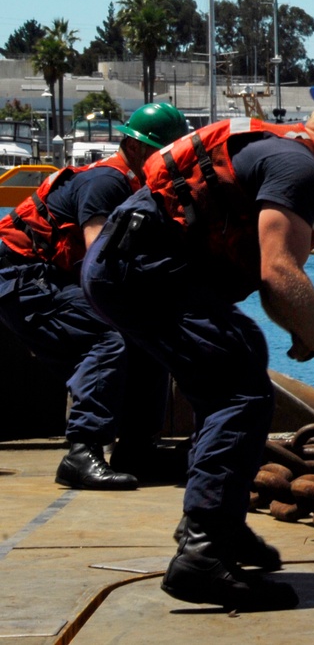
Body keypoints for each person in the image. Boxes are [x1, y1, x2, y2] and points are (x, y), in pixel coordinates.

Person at [80, 67, 314, 612]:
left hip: (128, 265)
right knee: (241, 393)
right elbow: (280, 272)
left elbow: (272, 285)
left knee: (240, 359)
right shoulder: (298, 170)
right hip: (142, 272)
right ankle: (203, 550)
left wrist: (304, 328)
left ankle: (218, 528)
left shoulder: (279, 152)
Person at [0, 103, 190, 490]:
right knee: (107, 337)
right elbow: (100, 260)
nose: (170, 164)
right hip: (19, 277)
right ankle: (82, 452)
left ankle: (138, 448)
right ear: (134, 148)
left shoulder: (141, 187)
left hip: (52, 277)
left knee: (150, 338)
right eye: (162, 153)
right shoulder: (108, 183)